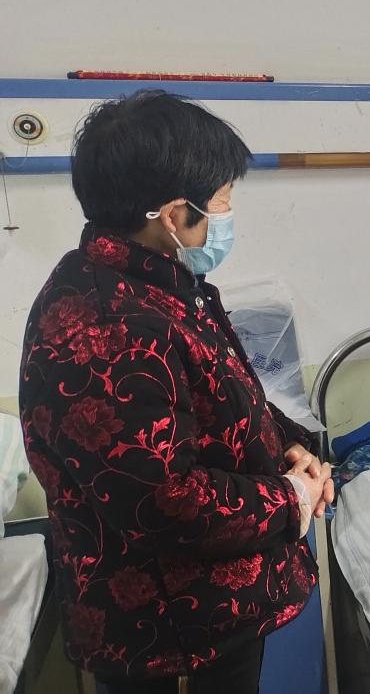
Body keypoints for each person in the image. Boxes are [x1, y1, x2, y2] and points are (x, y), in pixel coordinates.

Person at [17, 90, 333, 694]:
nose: (228, 213)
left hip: (207, 611)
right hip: (171, 632)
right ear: (172, 215)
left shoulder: (155, 286)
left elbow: (216, 393)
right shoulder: (110, 325)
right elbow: (162, 500)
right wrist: (290, 499)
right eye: (222, 200)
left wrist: (289, 445)